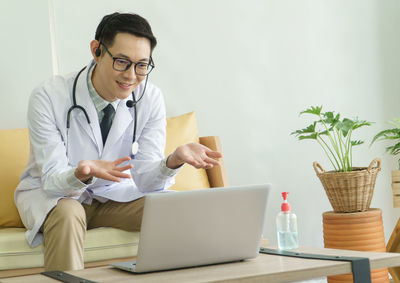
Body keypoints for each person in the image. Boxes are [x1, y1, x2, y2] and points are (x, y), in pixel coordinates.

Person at [15, 12, 222, 271]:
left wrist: (173, 160)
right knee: (69, 213)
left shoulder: (151, 98)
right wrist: (81, 174)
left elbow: (146, 180)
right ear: (97, 51)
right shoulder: (48, 96)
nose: (131, 76)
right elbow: (52, 180)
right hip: (56, 197)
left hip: (113, 196)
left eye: (142, 65)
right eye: (122, 61)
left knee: (172, 208)